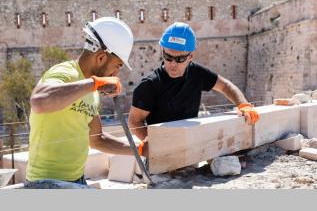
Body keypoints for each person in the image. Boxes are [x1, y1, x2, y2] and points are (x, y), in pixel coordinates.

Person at [25, 17, 140, 188]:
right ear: (101, 58)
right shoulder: (65, 73)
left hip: (77, 180)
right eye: (117, 65)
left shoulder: (90, 91)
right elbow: (39, 101)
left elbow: (97, 139)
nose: (116, 73)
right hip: (44, 182)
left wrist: (139, 150)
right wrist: (96, 83)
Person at [128, 22, 259, 157]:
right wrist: (155, 145)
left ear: (190, 56)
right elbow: (134, 121)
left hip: (191, 145)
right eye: (168, 57)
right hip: (164, 153)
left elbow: (225, 86)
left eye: (180, 59)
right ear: (163, 51)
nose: (173, 64)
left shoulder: (196, 73)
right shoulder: (149, 85)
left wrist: (243, 105)